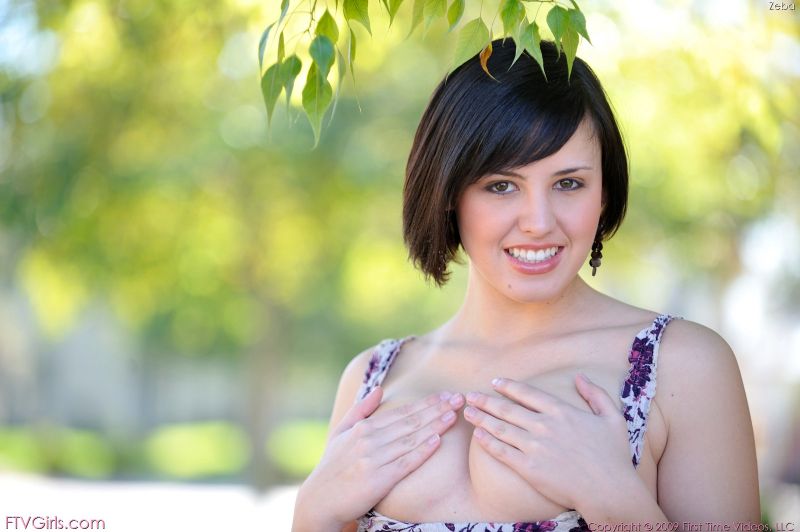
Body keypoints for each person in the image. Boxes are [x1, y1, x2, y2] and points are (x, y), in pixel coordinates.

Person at [291, 38, 761, 531]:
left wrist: (614, 499)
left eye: (568, 183)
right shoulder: (372, 377)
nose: (538, 222)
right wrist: (312, 513)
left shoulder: (685, 366)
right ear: (449, 192)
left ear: (604, 192)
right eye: (501, 186)